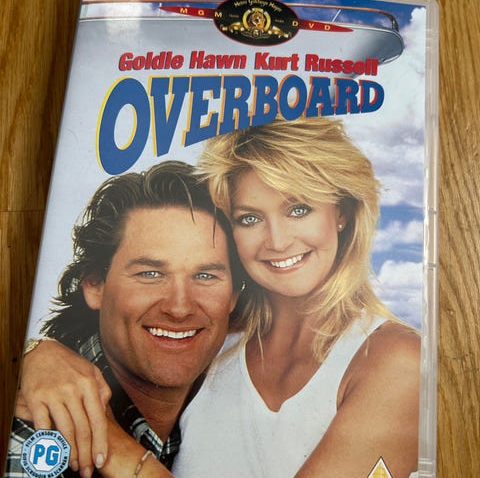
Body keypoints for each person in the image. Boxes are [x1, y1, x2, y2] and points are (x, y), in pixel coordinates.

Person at [17, 117, 420, 478]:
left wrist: (110, 443)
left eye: (298, 209)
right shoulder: (215, 335)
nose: (278, 241)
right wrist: (38, 353)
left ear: (343, 211)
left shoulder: (395, 358)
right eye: (250, 218)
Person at [6, 161, 242, 478]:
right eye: (150, 274)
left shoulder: (234, 400)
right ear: (94, 284)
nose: (179, 307)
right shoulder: (36, 433)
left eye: (205, 276)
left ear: (234, 296)